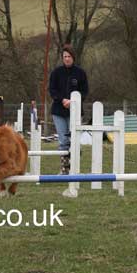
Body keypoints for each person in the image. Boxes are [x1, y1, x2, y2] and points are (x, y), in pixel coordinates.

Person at [48, 44, 89, 175]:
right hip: (58, 111)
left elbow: (85, 91)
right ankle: (65, 169)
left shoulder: (80, 73)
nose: (66, 59)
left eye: (69, 56)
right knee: (63, 141)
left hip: (75, 112)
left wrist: (74, 101)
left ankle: (75, 167)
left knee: (74, 141)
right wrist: (62, 100)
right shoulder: (56, 73)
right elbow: (52, 90)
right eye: (64, 56)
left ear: (73, 57)